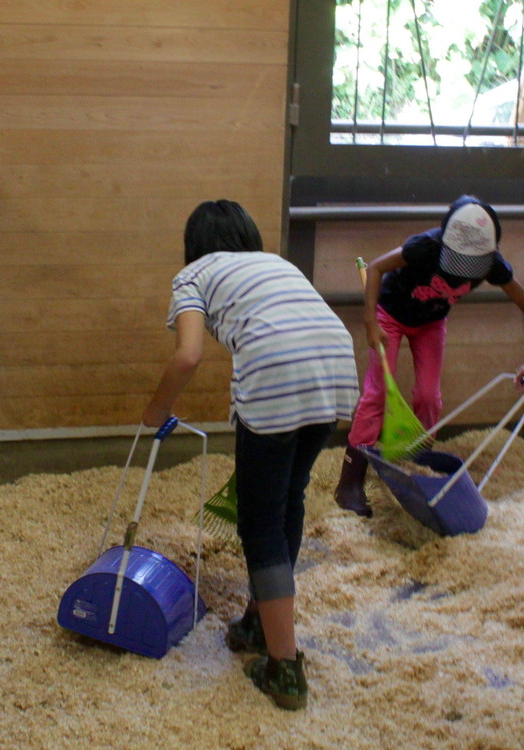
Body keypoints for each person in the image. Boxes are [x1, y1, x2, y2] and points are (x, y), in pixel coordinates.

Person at [142, 199, 359, 710]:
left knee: (259, 520)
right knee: (288, 499)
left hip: (277, 375)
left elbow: (188, 354)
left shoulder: (192, 275)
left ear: (193, 245)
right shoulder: (276, 263)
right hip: (334, 366)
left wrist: (156, 409)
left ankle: (284, 667)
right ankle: (261, 620)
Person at [334, 195, 524, 517]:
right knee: (376, 394)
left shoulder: (493, 264)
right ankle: (349, 482)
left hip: (431, 323)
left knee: (429, 396)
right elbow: (375, 268)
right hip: (390, 315)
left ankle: (419, 469)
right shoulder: (425, 246)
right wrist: (370, 322)